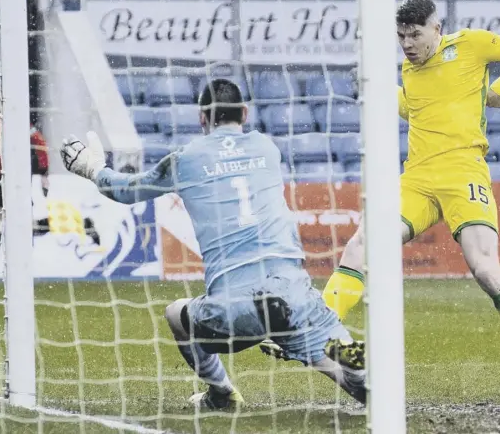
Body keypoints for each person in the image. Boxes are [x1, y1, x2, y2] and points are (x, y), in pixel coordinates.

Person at [272, 0, 500, 398]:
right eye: (401, 36)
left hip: (464, 171)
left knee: (484, 268)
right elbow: (418, 111)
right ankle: (319, 333)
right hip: (417, 179)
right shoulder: (407, 71)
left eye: (415, 34)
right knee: (362, 245)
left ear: (438, 29)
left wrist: (499, 87)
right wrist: (382, 94)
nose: (408, 43)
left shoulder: (470, 44)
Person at [59, 79, 367, 408]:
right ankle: (355, 368)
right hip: (294, 299)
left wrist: (93, 169)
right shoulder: (267, 148)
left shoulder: (186, 160)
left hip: (233, 310)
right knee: (354, 369)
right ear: (245, 113)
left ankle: (222, 393)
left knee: (176, 314)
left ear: (202, 118)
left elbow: (125, 191)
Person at [0, 80, 99, 287]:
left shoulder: (12, 117)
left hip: (16, 177)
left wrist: (43, 173)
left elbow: (39, 142)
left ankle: (81, 224)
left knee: (22, 226)